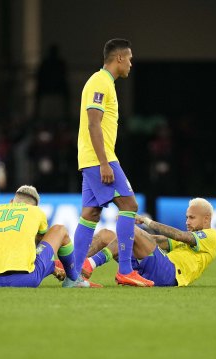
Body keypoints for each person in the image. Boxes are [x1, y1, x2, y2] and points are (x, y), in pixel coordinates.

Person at [73, 38, 152, 287]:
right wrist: (105, 162)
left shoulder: (105, 83)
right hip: (100, 159)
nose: (131, 63)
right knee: (129, 204)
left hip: (91, 158)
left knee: (90, 214)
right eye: (129, 58)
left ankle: (74, 276)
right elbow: (93, 123)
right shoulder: (99, 82)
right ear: (119, 58)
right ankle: (125, 270)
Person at [62, 198, 216, 287]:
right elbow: (156, 241)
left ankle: (90, 264)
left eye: (192, 217)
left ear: (206, 219)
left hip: (170, 274)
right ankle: (71, 267)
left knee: (131, 230)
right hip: (151, 268)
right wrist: (127, 235)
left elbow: (180, 236)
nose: (187, 221)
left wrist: (146, 222)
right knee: (105, 235)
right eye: (187, 217)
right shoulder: (191, 238)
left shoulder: (211, 237)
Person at [0, 185, 95, 288]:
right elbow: (42, 246)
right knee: (59, 230)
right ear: (34, 205)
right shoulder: (36, 212)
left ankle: (53, 268)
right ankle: (73, 279)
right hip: (26, 279)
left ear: (11, 201)